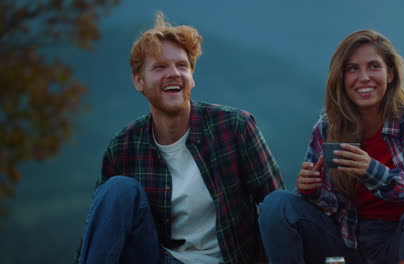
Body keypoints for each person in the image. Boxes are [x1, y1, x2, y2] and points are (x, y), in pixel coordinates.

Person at [76, 11, 284, 264]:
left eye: (182, 66)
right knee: (118, 189)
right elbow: (101, 229)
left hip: (231, 259)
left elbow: (276, 209)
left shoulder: (234, 127)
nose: (174, 73)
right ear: (139, 81)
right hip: (159, 258)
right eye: (160, 67)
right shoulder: (124, 147)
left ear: (192, 78)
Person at [258, 29, 404, 264]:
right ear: (341, 77)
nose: (364, 77)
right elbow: (326, 208)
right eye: (352, 68)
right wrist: (310, 190)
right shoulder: (327, 129)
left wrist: (373, 172)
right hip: (345, 244)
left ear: (390, 74)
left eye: (374, 66)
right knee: (276, 204)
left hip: (403, 244)